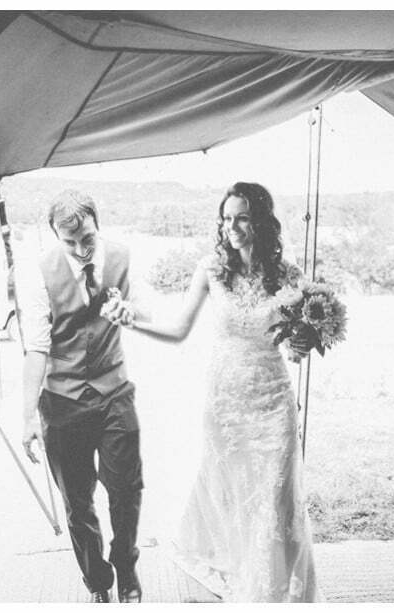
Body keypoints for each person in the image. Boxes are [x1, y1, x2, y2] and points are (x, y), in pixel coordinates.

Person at [104, 182, 321, 602]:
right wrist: (132, 322)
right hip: (226, 403)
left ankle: (274, 596)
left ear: (261, 221)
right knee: (235, 500)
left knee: (275, 503)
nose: (231, 227)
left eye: (242, 218)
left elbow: (299, 345)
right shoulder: (211, 269)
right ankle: (247, 587)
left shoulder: (287, 275)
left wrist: (304, 342)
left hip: (273, 402)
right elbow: (178, 329)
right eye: (226, 218)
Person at [20, 190, 143, 604]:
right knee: (77, 502)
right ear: (56, 235)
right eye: (68, 241)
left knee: (126, 488)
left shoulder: (123, 257)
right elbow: (36, 348)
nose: (79, 249)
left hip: (115, 393)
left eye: (87, 238)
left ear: (97, 224)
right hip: (62, 402)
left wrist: (132, 312)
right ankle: (97, 581)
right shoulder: (39, 272)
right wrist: (28, 417)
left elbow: (146, 311)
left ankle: (126, 565)